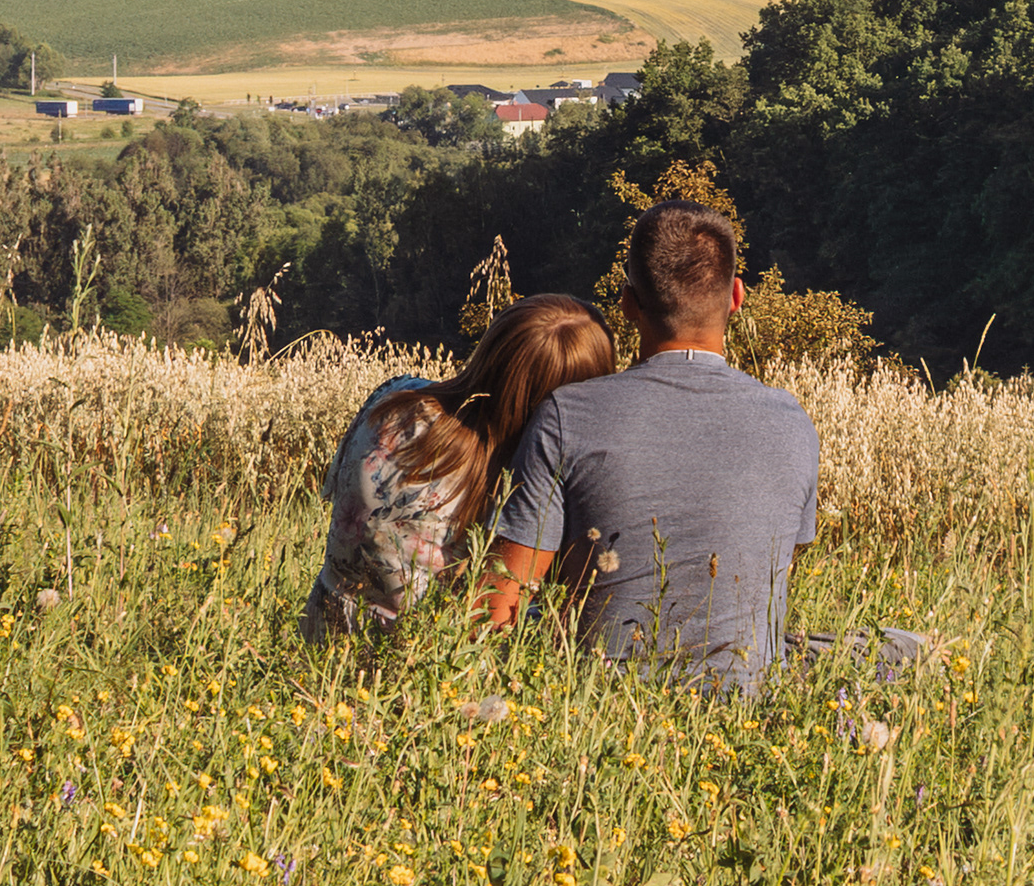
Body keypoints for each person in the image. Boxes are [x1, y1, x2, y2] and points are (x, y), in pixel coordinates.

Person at [481, 199, 821, 689]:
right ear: (736, 296)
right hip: (747, 703)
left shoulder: (566, 415)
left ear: (627, 304)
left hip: (602, 702)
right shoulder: (791, 421)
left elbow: (497, 606)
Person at [300, 292, 616, 641]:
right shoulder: (517, 482)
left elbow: (332, 489)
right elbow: (497, 612)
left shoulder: (393, 396)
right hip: (417, 656)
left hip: (320, 631)